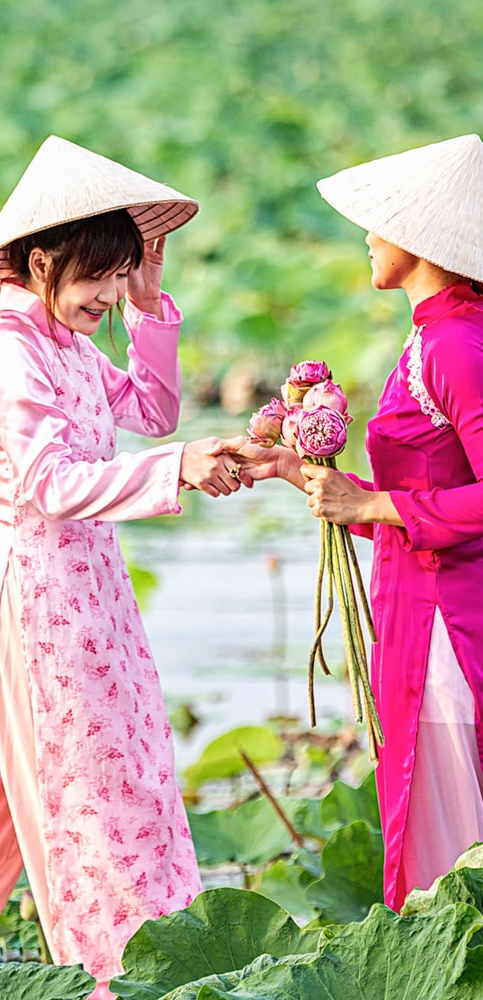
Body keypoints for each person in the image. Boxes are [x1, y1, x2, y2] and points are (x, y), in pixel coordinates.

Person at [0, 135, 249, 997]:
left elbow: (153, 410)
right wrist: (178, 468)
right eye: (98, 277)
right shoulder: (9, 351)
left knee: (130, 771)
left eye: (118, 275)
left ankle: (153, 957)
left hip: (94, 592)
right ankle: (111, 975)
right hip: (35, 598)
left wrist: (148, 305)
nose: (107, 295)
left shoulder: (66, 342)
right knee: (84, 793)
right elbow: (51, 485)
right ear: (40, 262)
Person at [228, 133, 483, 912]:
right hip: (416, 611)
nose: (368, 237)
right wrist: (301, 473)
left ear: (419, 238)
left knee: (456, 861)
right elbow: (429, 499)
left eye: (381, 223)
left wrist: (371, 503)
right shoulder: (431, 335)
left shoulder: (455, 344)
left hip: (450, 629)